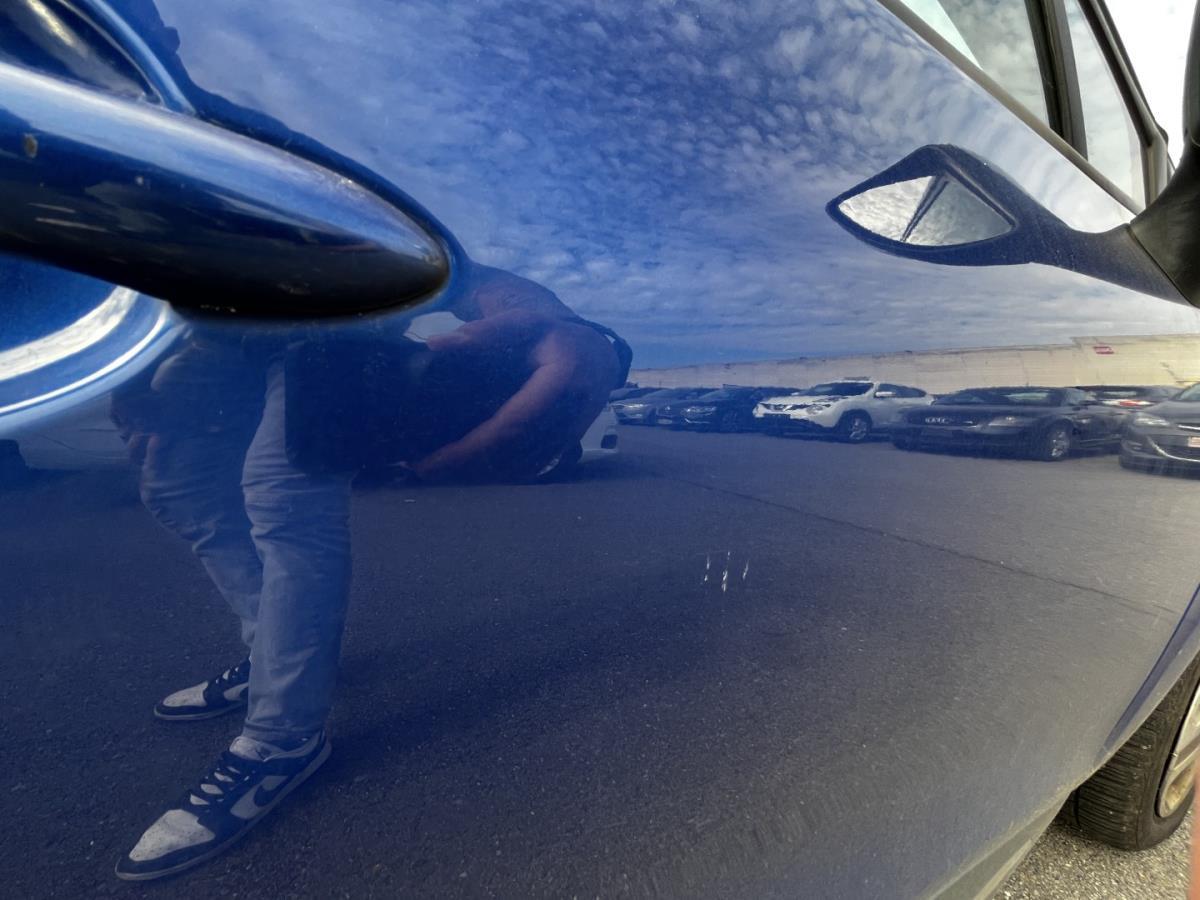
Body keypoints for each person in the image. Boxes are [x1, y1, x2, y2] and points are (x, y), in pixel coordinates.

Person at [111, 264, 626, 880]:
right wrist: (128, 366)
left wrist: (571, 325)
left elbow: (433, 262)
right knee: (179, 490)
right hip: (205, 339)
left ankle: (282, 740)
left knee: (284, 501)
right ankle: (272, 654)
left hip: (324, 333)